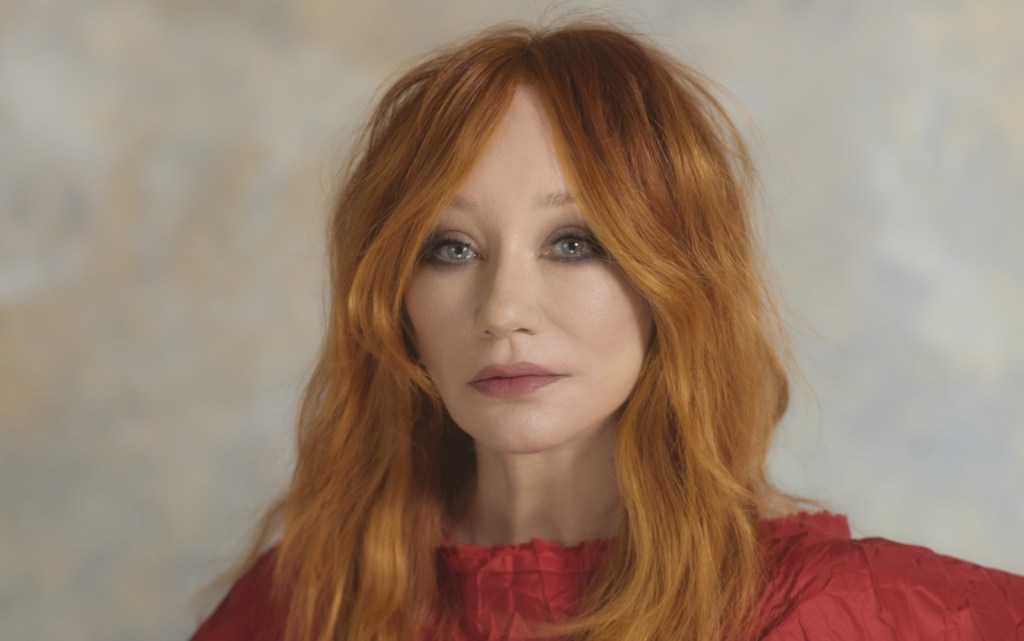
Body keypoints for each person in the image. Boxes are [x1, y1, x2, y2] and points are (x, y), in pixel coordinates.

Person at [189, 18, 1024, 641]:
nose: (504, 308)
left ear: (678, 276)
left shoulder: (864, 615)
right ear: (392, 296)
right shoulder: (303, 608)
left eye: (574, 242)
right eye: (449, 247)